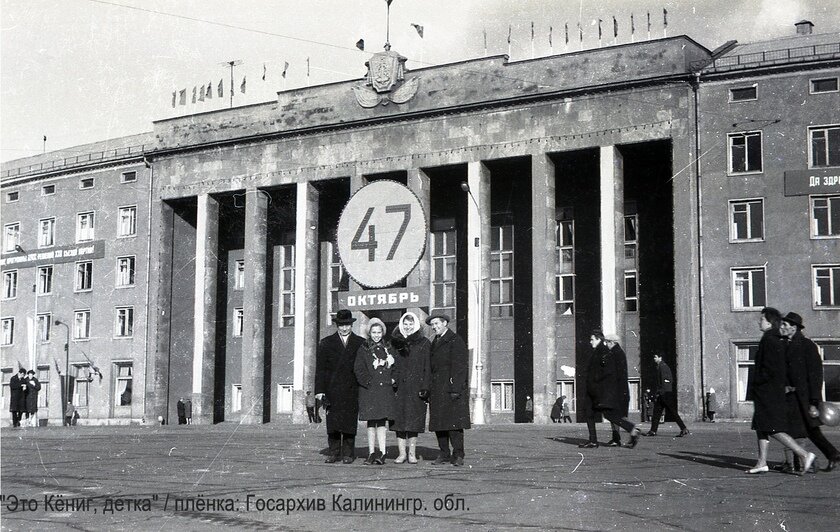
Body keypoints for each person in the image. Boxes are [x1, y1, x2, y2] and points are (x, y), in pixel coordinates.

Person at [744, 307, 815, 475]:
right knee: (761, 427)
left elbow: (772, 369)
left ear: (769, 322)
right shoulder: (772, 338)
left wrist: (759, 383)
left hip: (768, 392)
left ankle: (804, 454)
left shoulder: (770, 340)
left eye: (761, 319)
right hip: (767, 391)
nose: (758, 321)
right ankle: (761, 462)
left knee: (771, 428)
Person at [780, 312, 840, 473]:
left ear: (794, 328)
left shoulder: (807, 345)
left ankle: (802, 462)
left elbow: (815, 375)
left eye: (785, 325)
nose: (782, 327)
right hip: (792, 397)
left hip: (804, 398)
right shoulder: (786, 344)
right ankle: (831, 455)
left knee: (801, 431)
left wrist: (814, 402)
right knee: (808, 431)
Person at [315, 309, 365, 464]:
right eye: (341, 325)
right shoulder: (326, 342)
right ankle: (334, 452)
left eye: (347, 325)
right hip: (332, 390)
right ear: (337, 325)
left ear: (352, 325)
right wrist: (319, 391)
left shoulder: (360, 343)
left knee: (349, 422)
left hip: (352, 389)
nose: (344, 328)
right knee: (333, 422)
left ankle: (348, 453)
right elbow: (321, 369)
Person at [580, 332, 641, 449]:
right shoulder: (609, 352)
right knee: (603, 414)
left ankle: (629, 430)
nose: (590, 341)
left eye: (592, 339)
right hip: (604, 391)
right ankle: (621, 435)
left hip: (602, 391)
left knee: (608, 415)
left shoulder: (608, 353)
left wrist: (596, 382)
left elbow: (608, 373)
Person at [427, 313, 471, 466]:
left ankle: (458, 454)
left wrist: (456, 389)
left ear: (445, 323)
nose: (435, 327)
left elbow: (460, 366)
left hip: (451, 389)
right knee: (439, 423)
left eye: (437, 323)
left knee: (454, 425)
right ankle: (444, 452)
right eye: (432, 325)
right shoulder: (435, 342)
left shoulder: (455, 340)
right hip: (437, 388)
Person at [390, 312, 430, 464]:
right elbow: (391, 365)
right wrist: (392, 380)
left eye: (410, 324)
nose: (408, 327)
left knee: (413, 422)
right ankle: (401, 454)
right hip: (399, 388)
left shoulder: (424, 343)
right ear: (401, 325)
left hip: (415, 388)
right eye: (405, 324)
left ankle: (412, 453)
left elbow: (427, 367)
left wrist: (425, 387)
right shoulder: (395, 343)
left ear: (416, 325)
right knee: (399, 422)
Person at [354, 318, 396, 465]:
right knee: (371, 422)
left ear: (383, 333)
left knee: (382, 422)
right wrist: (368, 382)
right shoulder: (363, 349)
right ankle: (371, 452)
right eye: (373, 332)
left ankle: (383, 452)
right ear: (369, 333)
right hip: (369, 391)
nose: (376, 335)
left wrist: (393, 379)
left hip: (384, 390)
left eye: (379, 332)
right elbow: (358, 369)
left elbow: (396, 368)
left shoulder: (389, 348)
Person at [644, 353, 690, 437]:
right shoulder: (661, 366)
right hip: (664, 393)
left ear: (660, 357)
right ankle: (653, 430)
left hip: (664, 394)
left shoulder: (663, 367)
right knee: (657, 413)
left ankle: (683, 428)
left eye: (655, 357)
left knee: (670, 412)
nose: (654, 358)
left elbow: (666, 381)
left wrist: (660, 392)